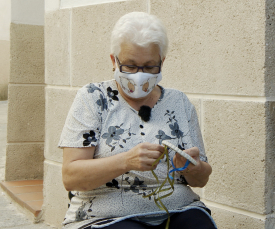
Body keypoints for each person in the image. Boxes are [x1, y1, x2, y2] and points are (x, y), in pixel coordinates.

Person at [59, 12, 215, 229]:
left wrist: (192, 168)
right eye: (130, 66)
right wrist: (125, 161)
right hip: (105, 216)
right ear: (114, 60)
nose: (139, 76)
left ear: (162, 62)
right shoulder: (93, 98)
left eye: (150, 66)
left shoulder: (179, 102)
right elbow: (71, 177)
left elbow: (201, 180)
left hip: (178, 209)